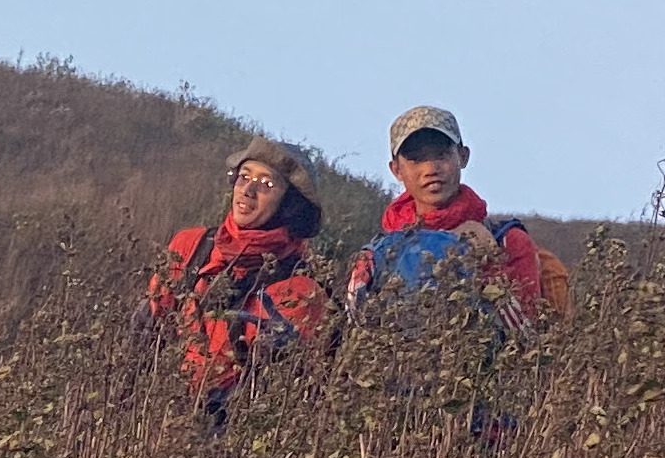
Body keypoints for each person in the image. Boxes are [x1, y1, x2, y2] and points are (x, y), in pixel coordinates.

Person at [145, 140, 329, 425]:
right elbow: (146, 330)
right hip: (157, 415)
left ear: (290, 205)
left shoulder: (300, 290)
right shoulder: (191, 246)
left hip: (233, 431)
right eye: (244, 177)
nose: (248, 190)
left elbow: (274, 391)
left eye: (266, 184)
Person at [344, 106, 553, 332]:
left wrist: (489, 265)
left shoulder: (508, 241)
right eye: (416, 159)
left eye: (441, 155)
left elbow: (526, 334)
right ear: (396, 170)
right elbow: (352, 334)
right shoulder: (373, 258)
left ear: (463, 157)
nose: (430, 169)